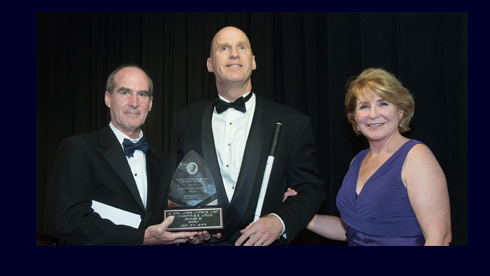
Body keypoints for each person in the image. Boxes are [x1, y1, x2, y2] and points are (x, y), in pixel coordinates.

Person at [173, 26, 325, 246]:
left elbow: (311, 189)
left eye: (241, 47)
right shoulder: (186, 120)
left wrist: (279, 221)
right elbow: (184, 189)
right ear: (209, 65)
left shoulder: (293, 122)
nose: (234, 53)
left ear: (253, 61)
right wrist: (190, 226)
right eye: (224, 48)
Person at [47, 64, 212, 245]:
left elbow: (165, 223)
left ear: (150, 103)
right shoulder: (79, 149)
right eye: (125, 92)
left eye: (142, 94)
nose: (134, 102)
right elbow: (68, 221)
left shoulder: (165, 162)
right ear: (108, 98)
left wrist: (187, 235)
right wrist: (142, 238)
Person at [286, 68, 452, 246]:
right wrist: (300, 213)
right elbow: (352, 231)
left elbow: (439, 238)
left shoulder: (416, 156)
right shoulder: (357, 161)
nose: (373, 114)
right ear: (355, 118)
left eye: (383, 104)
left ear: (401, 111)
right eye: (364, 106)